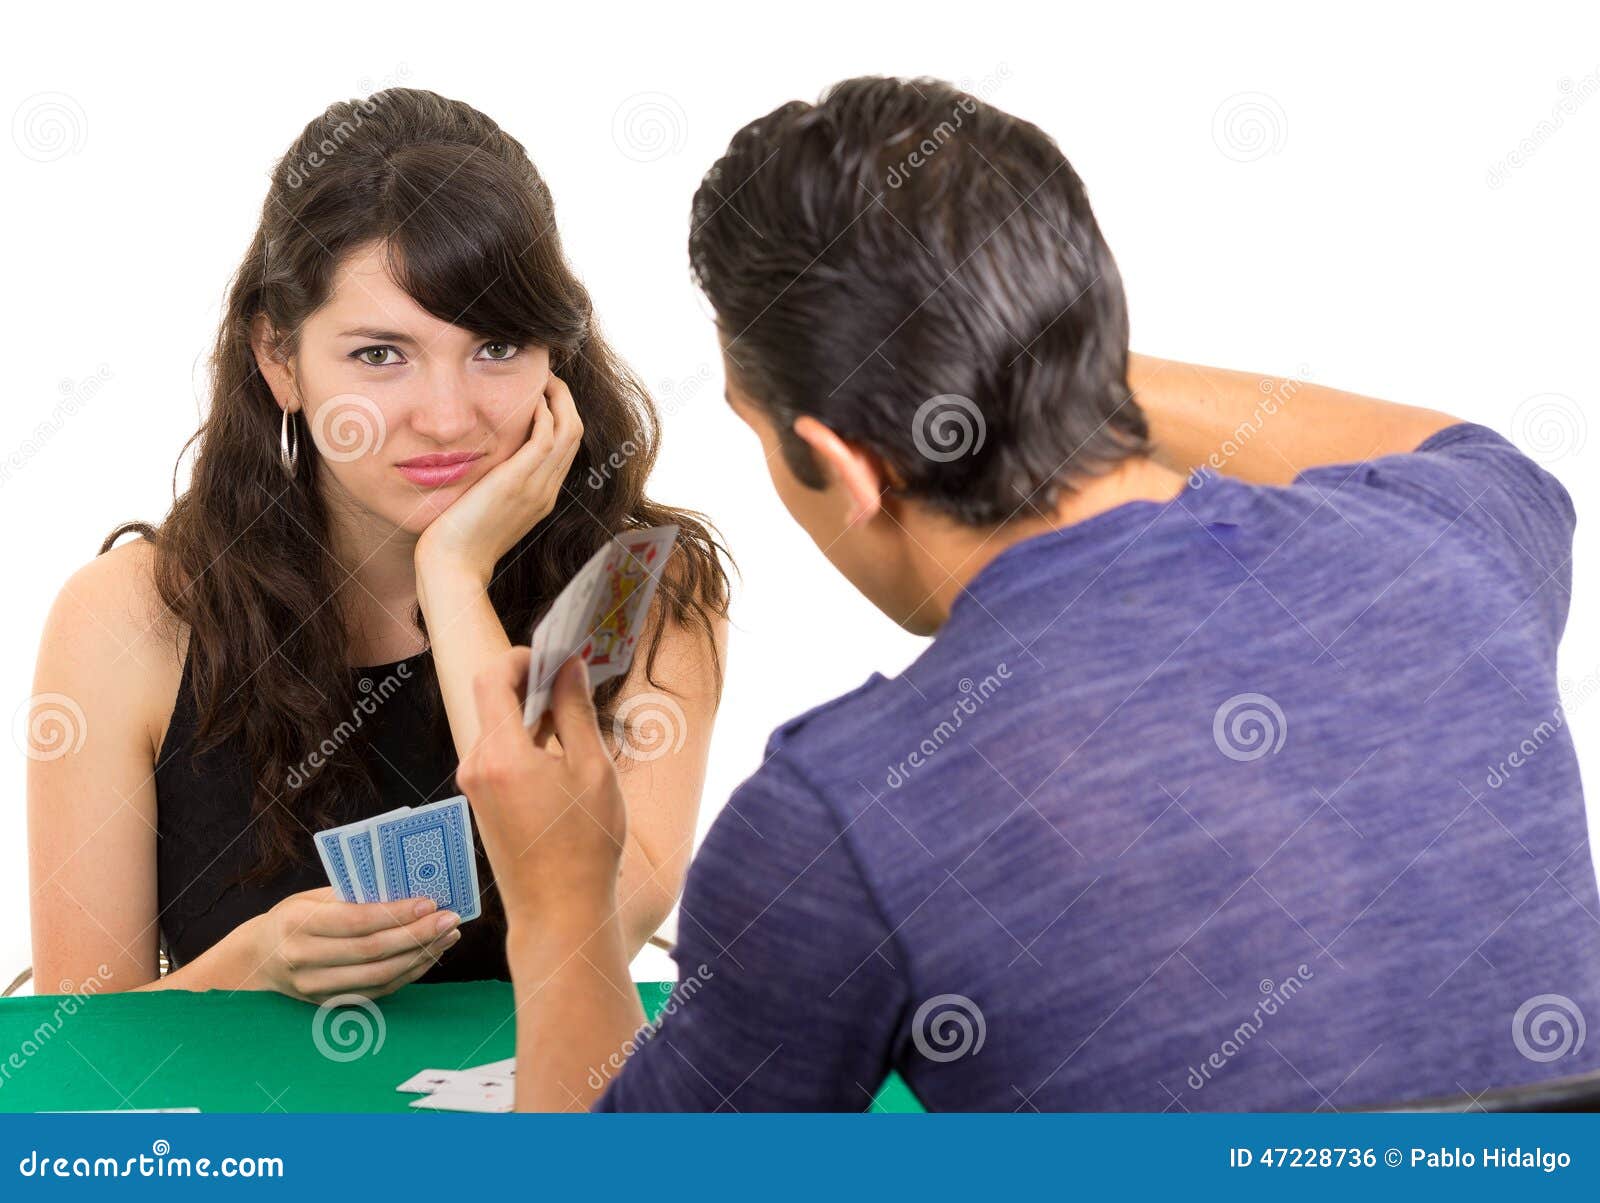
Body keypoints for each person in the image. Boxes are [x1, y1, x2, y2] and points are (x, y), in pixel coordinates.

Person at [462, 75, 1598, 1111]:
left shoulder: (839, 815)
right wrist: (1029, 352)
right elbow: (1456, 445)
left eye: (754, 426)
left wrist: (561, 903)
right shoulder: (1462, 547)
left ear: (847, 465)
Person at [26, 88, 730, 1003]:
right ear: (280, 359)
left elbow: (592, 928)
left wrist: (452, 573)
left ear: (555, 356)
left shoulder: (639, 586)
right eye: (380, 355)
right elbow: (75, 1058)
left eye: (497, 347)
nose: (446, 417)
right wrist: (249, 966)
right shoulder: (131, 615)